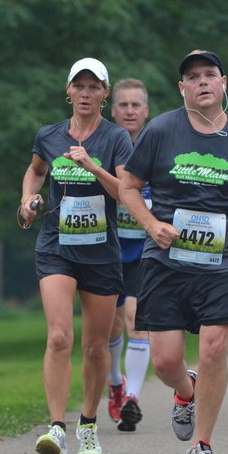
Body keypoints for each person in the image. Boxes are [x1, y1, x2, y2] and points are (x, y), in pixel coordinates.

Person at [119, 50, 228, 454]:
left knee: (214, 348)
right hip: (165, 259)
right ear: (182, 87)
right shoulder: (161, 130)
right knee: (165, 362)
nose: (203, 81)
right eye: (194, 76)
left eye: (210, 75)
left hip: (221, 260)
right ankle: (184, 393)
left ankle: (203, 446)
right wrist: (152, 225)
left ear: (224, 83)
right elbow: (128, 188)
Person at [19, 58, 133, 454]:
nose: (85, 94)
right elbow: (34, 172)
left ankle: (87, 424)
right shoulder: (48, 136)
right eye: (78, 86)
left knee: (96, 346)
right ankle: (56, 427)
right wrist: (28, 201)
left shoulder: (117, 139)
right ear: (67, 91)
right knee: (59, 336)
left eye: (94, 87)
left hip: (101, 253)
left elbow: (126, 192)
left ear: (105, 94)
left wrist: (91, 167)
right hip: (57, 247)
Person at [105, 78, 151, 432]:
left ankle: (132, 398)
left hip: (144, 253)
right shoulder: (101, 145)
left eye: (136, 105)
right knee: (110, 325)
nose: (130, 111)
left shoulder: (156, 148)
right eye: (124, 104)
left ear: (146, 111)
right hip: (106, 251)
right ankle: (116, 382)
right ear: (113, 109)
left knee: (135, 317)